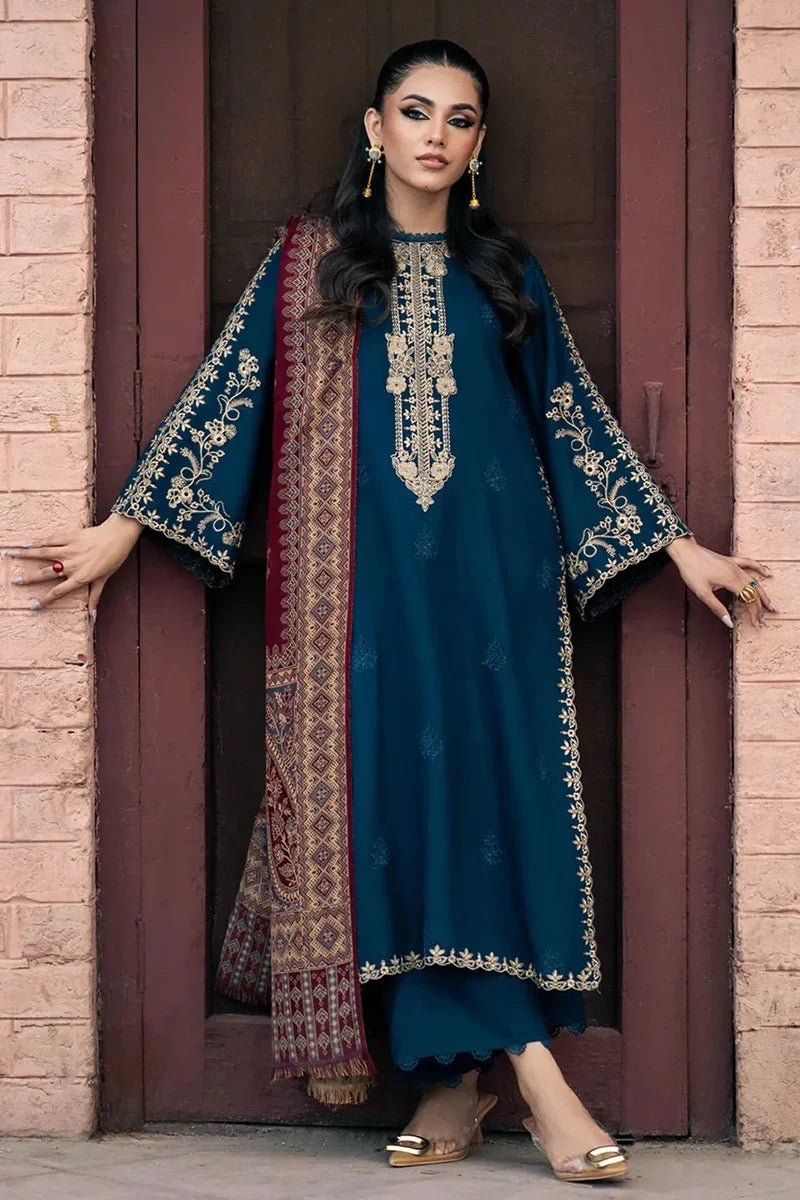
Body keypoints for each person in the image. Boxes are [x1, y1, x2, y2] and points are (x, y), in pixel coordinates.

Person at [6, 38, 774, 1185]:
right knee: (398, 812)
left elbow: (569, 416)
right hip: (358, 602)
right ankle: (520, 1073)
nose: (433, 134)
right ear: (372, 130)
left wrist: (672, 545)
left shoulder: (503, 272)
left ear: (477, 147)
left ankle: (456, 1079)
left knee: (482, 808)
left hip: (493, 598)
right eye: (412, 112)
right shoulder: (311, 264)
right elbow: (230, 392)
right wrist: (126, 526)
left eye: (458, 119)